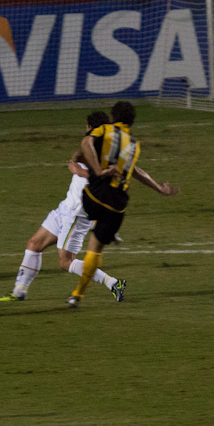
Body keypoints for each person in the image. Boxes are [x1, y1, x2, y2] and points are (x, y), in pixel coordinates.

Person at [0, 111, 130, 302]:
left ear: (89, 127)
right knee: (34, 244)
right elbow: (78, 157)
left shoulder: (107, 150)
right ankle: (19, 292)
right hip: (65, 208)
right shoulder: (91, 145)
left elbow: (108, 176)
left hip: (78, 214)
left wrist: (82, 171)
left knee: (65, 262)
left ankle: (113, 283)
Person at [63, 100, 177, 309]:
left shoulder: (104, 129)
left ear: (112, 117)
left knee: (81, 207)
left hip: (94, 197)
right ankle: (77, 295)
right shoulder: (134, 144)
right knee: (95, 250)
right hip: (116, 206)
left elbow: (86, 143)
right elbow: (136, 171)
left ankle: (94, 223)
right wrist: (159, 188)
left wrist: (97, 170)